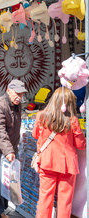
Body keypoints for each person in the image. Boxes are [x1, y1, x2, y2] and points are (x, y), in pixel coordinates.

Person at [32, 87, 86, 218]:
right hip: (67, 165)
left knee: (45, 197)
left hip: (46, 162)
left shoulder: (41, 116)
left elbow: (35, 135)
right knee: (65, 200)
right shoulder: (72, 120)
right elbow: (81, 145)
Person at [0, 79, 27, 218]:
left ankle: (1, 209)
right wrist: (8, 150)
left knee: (6, 180)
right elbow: (0, 130)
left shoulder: (17, 104)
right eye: (17, 93)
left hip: (9, 147)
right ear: (9, 90)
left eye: (22, 94)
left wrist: (12, 148)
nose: (19, 97)